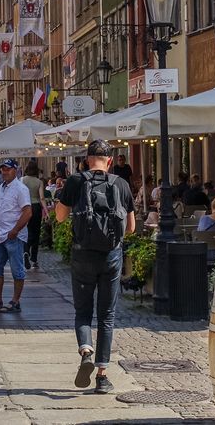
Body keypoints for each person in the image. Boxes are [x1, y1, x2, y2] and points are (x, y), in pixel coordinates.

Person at [55, 139, 135, 395]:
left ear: (87, 159)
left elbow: (59, 216)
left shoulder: (76, 181)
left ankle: (85, 350)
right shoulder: (120, 183)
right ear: (109, 161)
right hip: (111, 256)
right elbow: (131, 227)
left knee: (82, 310)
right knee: (107, 315)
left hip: (82, 255)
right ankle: (102, 375)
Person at [0, 159, 32, 312]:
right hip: (1, 235)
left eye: (7, 169)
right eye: (3, 169)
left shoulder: (21, 189)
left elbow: (27, 212)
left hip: (14, 236)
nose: (4, 172)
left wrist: (15, 230)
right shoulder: (2, 187)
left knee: (17, 269)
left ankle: (15, 300)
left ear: (15, 170)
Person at [21, 162, 45, 270]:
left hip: (25, 207)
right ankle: (34, 259)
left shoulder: (22, 180)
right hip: (36, 207)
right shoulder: (39, 182)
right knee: (35, 232)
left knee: (25, 231)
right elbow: (42, 198)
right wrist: (46, 211)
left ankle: (25, 251)